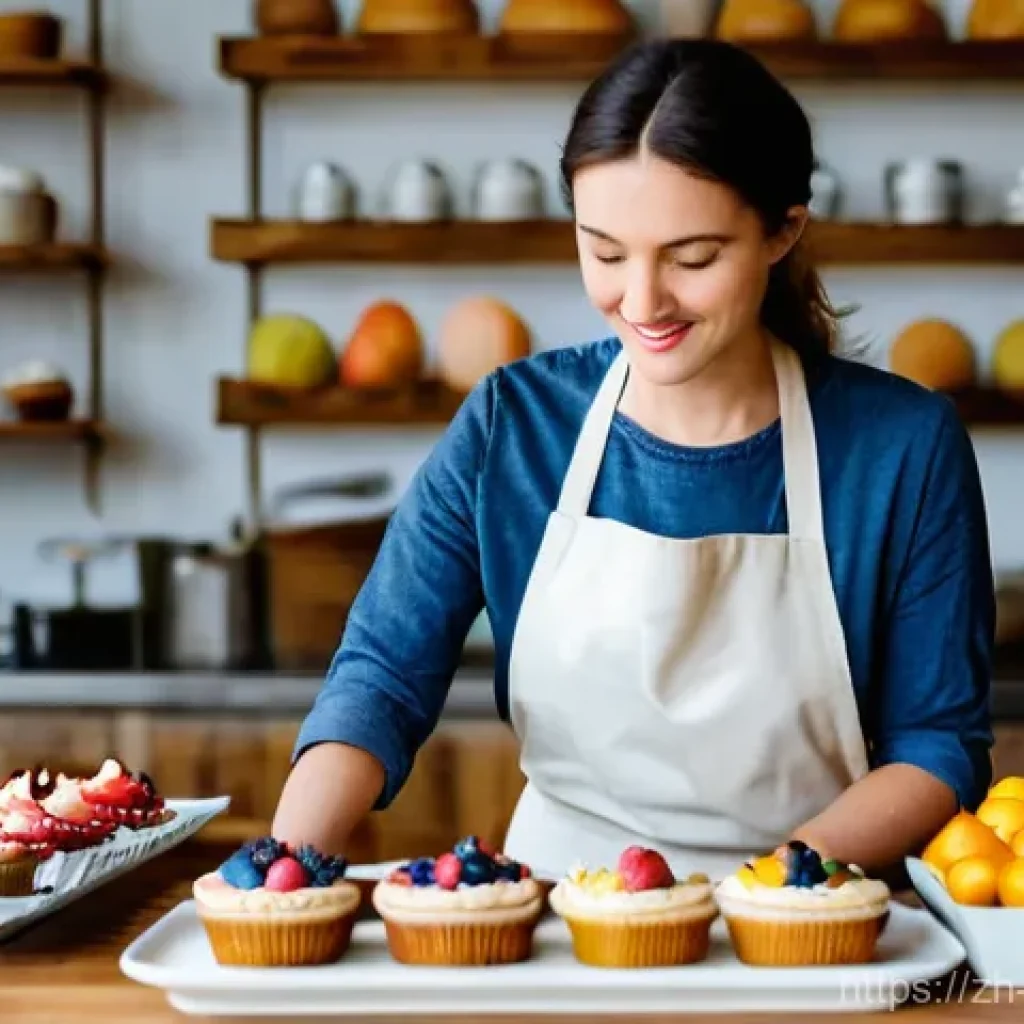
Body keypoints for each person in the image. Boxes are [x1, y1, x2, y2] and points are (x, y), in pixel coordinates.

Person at [271, 39, 995, 882]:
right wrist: (280, 867)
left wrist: (772, 888)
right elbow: (381, 679)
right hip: (561, 928)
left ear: (782, 229)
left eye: (692, 259)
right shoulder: (514, 426)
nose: (642, 301)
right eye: (605, 252)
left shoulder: (902, 447)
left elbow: (937, 748)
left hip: (810, 927)